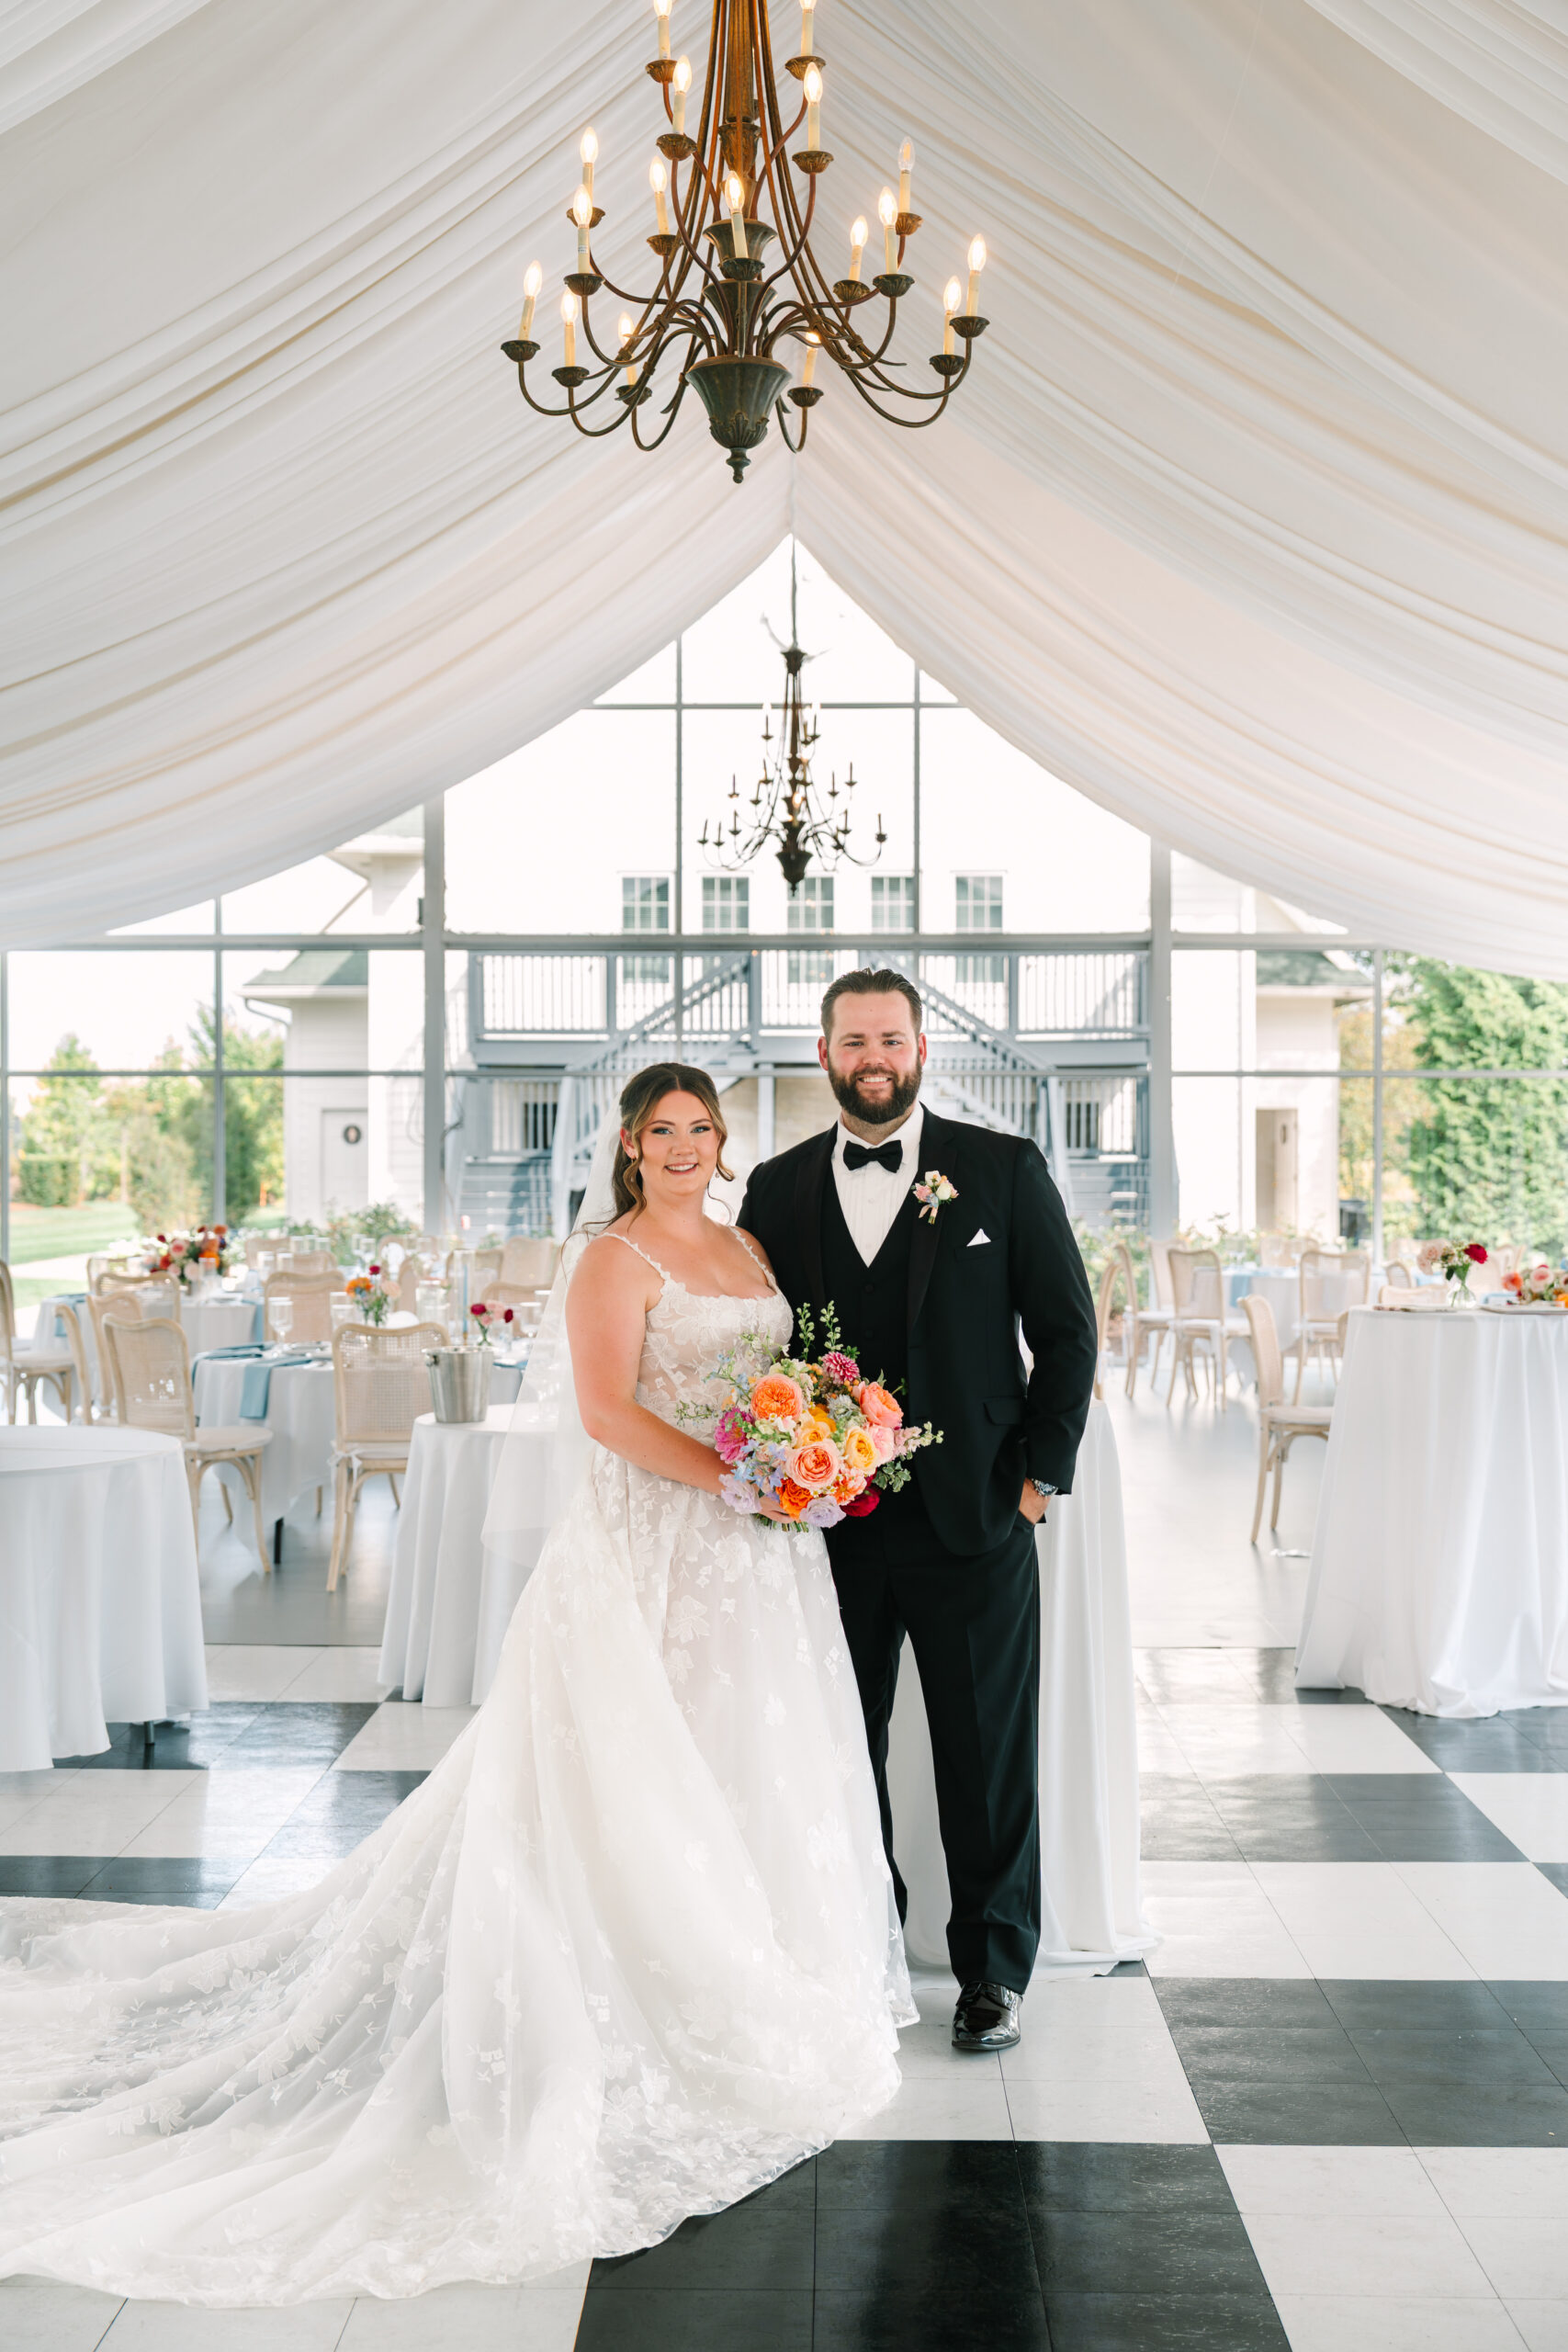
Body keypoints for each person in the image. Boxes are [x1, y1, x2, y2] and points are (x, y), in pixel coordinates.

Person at [0, 1064, 911, 2306]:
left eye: (702, 1129)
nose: (686, 1148)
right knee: (640, 1769)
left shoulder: (748, 1249)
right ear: (630, 1148)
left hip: (753, 1562)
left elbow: (767, 1382)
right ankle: (636, 1983)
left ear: (720, 1143)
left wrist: (805, 1448)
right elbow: (605, 1415)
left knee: (741, 1759)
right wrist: (744, 1475)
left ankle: (754, 1960)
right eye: (664, 1132)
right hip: (653, 1545)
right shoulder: (611, 1261)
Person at [739, 969, 1098, 2053]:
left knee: (986, 1750)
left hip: (975, 1516)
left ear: (922, 1049)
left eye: (891, 1036)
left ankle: (993, 1971)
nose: (874, 1056)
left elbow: (1068, 1330)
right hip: (827, 1520)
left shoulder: (1001, 1168)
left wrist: (1041, 1473)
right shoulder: (773, 1185)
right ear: (825, 1054)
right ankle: (865, 1949)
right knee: (839, 1747)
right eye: (854, 1039)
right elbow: (758, 1345)